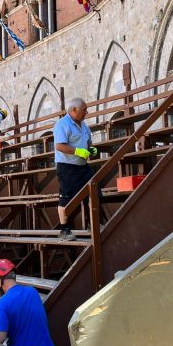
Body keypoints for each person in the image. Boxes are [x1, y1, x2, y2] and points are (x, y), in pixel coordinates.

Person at [53, 98, 98, 241]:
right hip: (67, 167)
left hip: (82, 166)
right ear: (73, 110)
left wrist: (91, 149)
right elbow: (59, 146)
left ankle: (93, 224)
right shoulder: (62, 124)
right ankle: (64, 230)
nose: (87, 112)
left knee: (94, 192)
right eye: (84, 109)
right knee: (65, 198)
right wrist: (78, 151)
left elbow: (89, 142)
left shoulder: (84, 125)